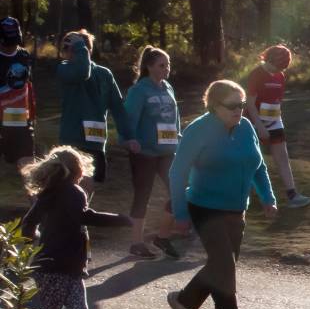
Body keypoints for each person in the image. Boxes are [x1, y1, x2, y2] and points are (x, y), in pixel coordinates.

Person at [166, 80, 278, 309]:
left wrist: (268, 198)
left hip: (236, 209)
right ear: (214, 106)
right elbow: (177, 172)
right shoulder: (199, 130)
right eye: (232, 106)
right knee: (224, 267)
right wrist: (180, 213)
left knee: (220, 266)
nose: (239, 110)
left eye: (242, 105)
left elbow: (258, 166)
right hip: (205, 206)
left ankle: (183, 300)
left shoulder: (246, 127)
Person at [16, 145, 128, 309]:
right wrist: (121, 220)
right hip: (62, 266)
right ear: (77, 170)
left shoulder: (48, 193)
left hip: (48, 265)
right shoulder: (73, 193)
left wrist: (30, 242)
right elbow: (86, 217)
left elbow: (29, 221)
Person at [121, 46, 183, 259]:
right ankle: (136, 243)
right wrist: (129, 140)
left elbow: (174, 118)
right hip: (145, 151)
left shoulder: (168, 88)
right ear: (149, 67)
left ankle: (162, 237)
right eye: (161, 65)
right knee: (143, 195)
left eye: (168, 65)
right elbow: (128, 119)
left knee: (180, 190)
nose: (166, 69)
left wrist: (179, 137)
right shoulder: (139, 90)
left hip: (168, 150)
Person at [55, 30, 134, 185]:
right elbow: (82, 72)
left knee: (89, 186)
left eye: (72, 48)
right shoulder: (64, 69)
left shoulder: (105, 74)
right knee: (71, 186)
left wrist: (128, 136)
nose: (67, 53)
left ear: (87, 50)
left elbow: (118, 107)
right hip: (72, 140)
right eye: (66, 48)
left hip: (95, 142)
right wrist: (80, 48)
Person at [243, 43, 310, 208]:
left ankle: (292, 195)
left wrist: (273, 123)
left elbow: (276, 101)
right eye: (277, 66)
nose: (278, 71)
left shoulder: (280, 76)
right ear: (270, 59)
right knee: (251, 159)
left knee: (282, 157)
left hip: (274, 121)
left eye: (282, 67)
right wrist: (259, 126)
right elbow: (250, 104)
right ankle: (241, 196)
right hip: (253, 122)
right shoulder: (256, 74)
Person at [1, 17, 37, 169]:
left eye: (14, 42)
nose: (10, 47)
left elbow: (29, 86)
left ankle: (32, 192)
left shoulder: (24, 56)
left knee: (28, 165)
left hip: (21, 120)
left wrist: (33, 115)